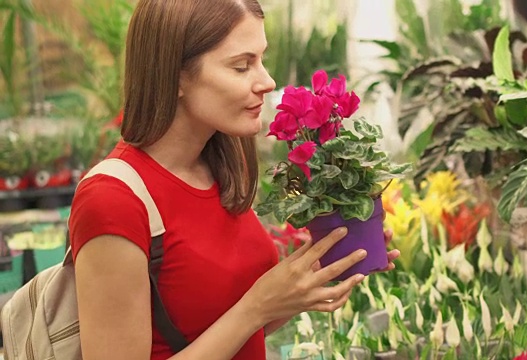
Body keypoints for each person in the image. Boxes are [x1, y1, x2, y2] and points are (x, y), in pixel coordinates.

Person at [68, 0, 400, 359]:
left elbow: (222, 324)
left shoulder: (218, 166)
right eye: (242, 66)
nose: (267, 81)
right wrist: (254, 308)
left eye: (261, 59)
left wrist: (319, 267)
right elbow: (244, 315)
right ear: (176, 75)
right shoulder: (112, 201)